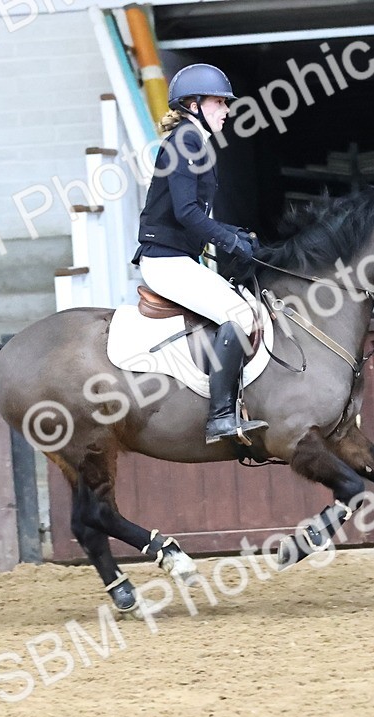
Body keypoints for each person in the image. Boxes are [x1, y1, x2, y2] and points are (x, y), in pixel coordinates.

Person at [132, 63, 268, 446]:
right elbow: (186, 213)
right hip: (165, 261)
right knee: (239, 315)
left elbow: (197, 215)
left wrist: (235, 234)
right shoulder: (186, 141)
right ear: (193, 105)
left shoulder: (196, 141)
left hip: (178, 258)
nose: (226, 109)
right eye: (219, 102)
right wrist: (229, 242)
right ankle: (220, 418)